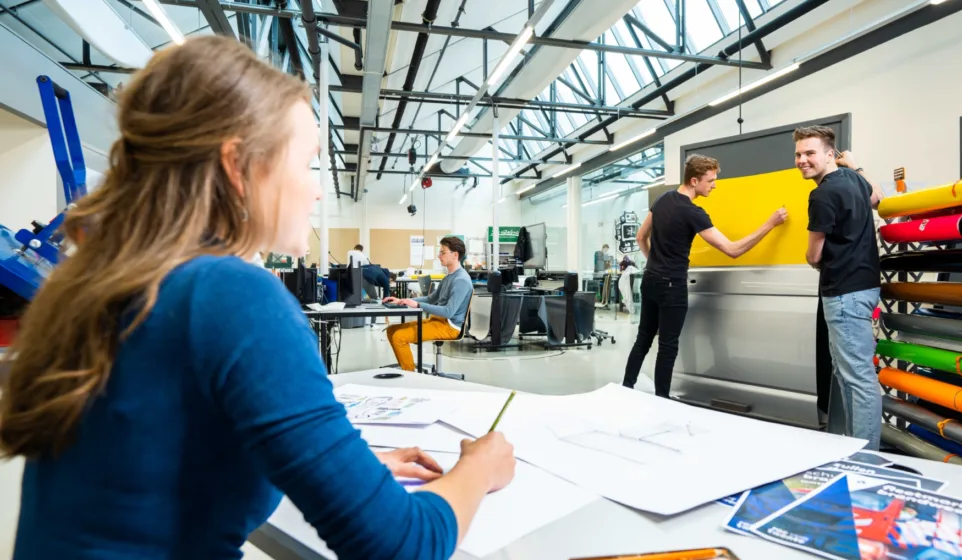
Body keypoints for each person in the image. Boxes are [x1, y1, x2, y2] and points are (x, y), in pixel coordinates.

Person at [0, 37, 514, 560]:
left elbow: (176, 460)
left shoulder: (111, 278)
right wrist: (479, 469)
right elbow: (403, 545)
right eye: (307, 162)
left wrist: (341, 467)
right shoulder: (233, 296)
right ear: (238, 165)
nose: (316, 191)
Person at [623, 154, 788, 398]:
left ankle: (625, 390)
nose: (714, 185)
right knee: (668, 348)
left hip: (650, 281)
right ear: (693, 180)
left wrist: (655, 264)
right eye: (710, 180)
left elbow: (640, 237)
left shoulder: (662, 200)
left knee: (644, 339)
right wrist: (770, 224)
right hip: (672, 287)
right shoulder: (693, 212)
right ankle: (661, 401)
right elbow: (733, 250)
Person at [795, 125, 885, 450]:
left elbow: (813, 253)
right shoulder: (854, 179)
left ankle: (866, 455)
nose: (802, 160)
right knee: (846, 371)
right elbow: (878, 198)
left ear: (829, 154)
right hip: (864, 287)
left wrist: (812, 260)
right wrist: (855, 164)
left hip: (844, 291)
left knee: (858, 376)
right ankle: (851, 444)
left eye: (810, 153)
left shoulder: (821, 194)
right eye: (799, 154)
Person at [384, 237, 473, 372]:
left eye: (443, 252)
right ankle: (406, 368)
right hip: (438, 321)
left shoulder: (461, 280)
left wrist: (417, 305)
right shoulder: (449, 276)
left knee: (399, 337)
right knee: (392, 330)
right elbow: (431, 299)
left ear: (455, 255)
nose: (439, 255)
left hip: (449, 327)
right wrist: (403, 301)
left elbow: (448, 312)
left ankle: (410, 377)